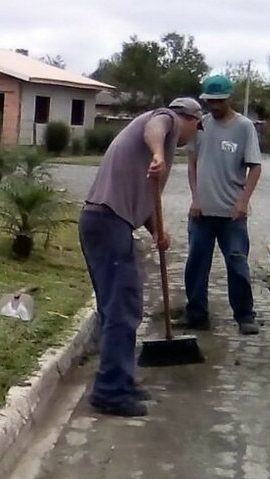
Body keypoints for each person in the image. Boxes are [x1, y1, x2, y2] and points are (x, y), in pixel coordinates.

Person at [78, 97, 203, 417]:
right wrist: (160, 153)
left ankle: (120, 379)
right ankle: (110, 392)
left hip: (103, 221)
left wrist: (156, 230)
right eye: (197, 126)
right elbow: (157, 124)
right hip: (108, 222)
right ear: (189, 118)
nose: (193, 133)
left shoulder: (153, 141)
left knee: (115, 309)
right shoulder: (166, 122)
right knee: (123, 308)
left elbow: (145, 199)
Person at [174, 74, 264, 336]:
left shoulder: (244, 127)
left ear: (229, 98)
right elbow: (192, 163)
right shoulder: (200, 126)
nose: (213, 106)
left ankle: (245, 315)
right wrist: (195, 198)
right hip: (201, 213)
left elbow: (255, 167)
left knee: (237, 264)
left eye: (218, 101)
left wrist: (243, 202)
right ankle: (197, 314)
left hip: (231, 215)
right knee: (196, 264)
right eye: (209, 101)